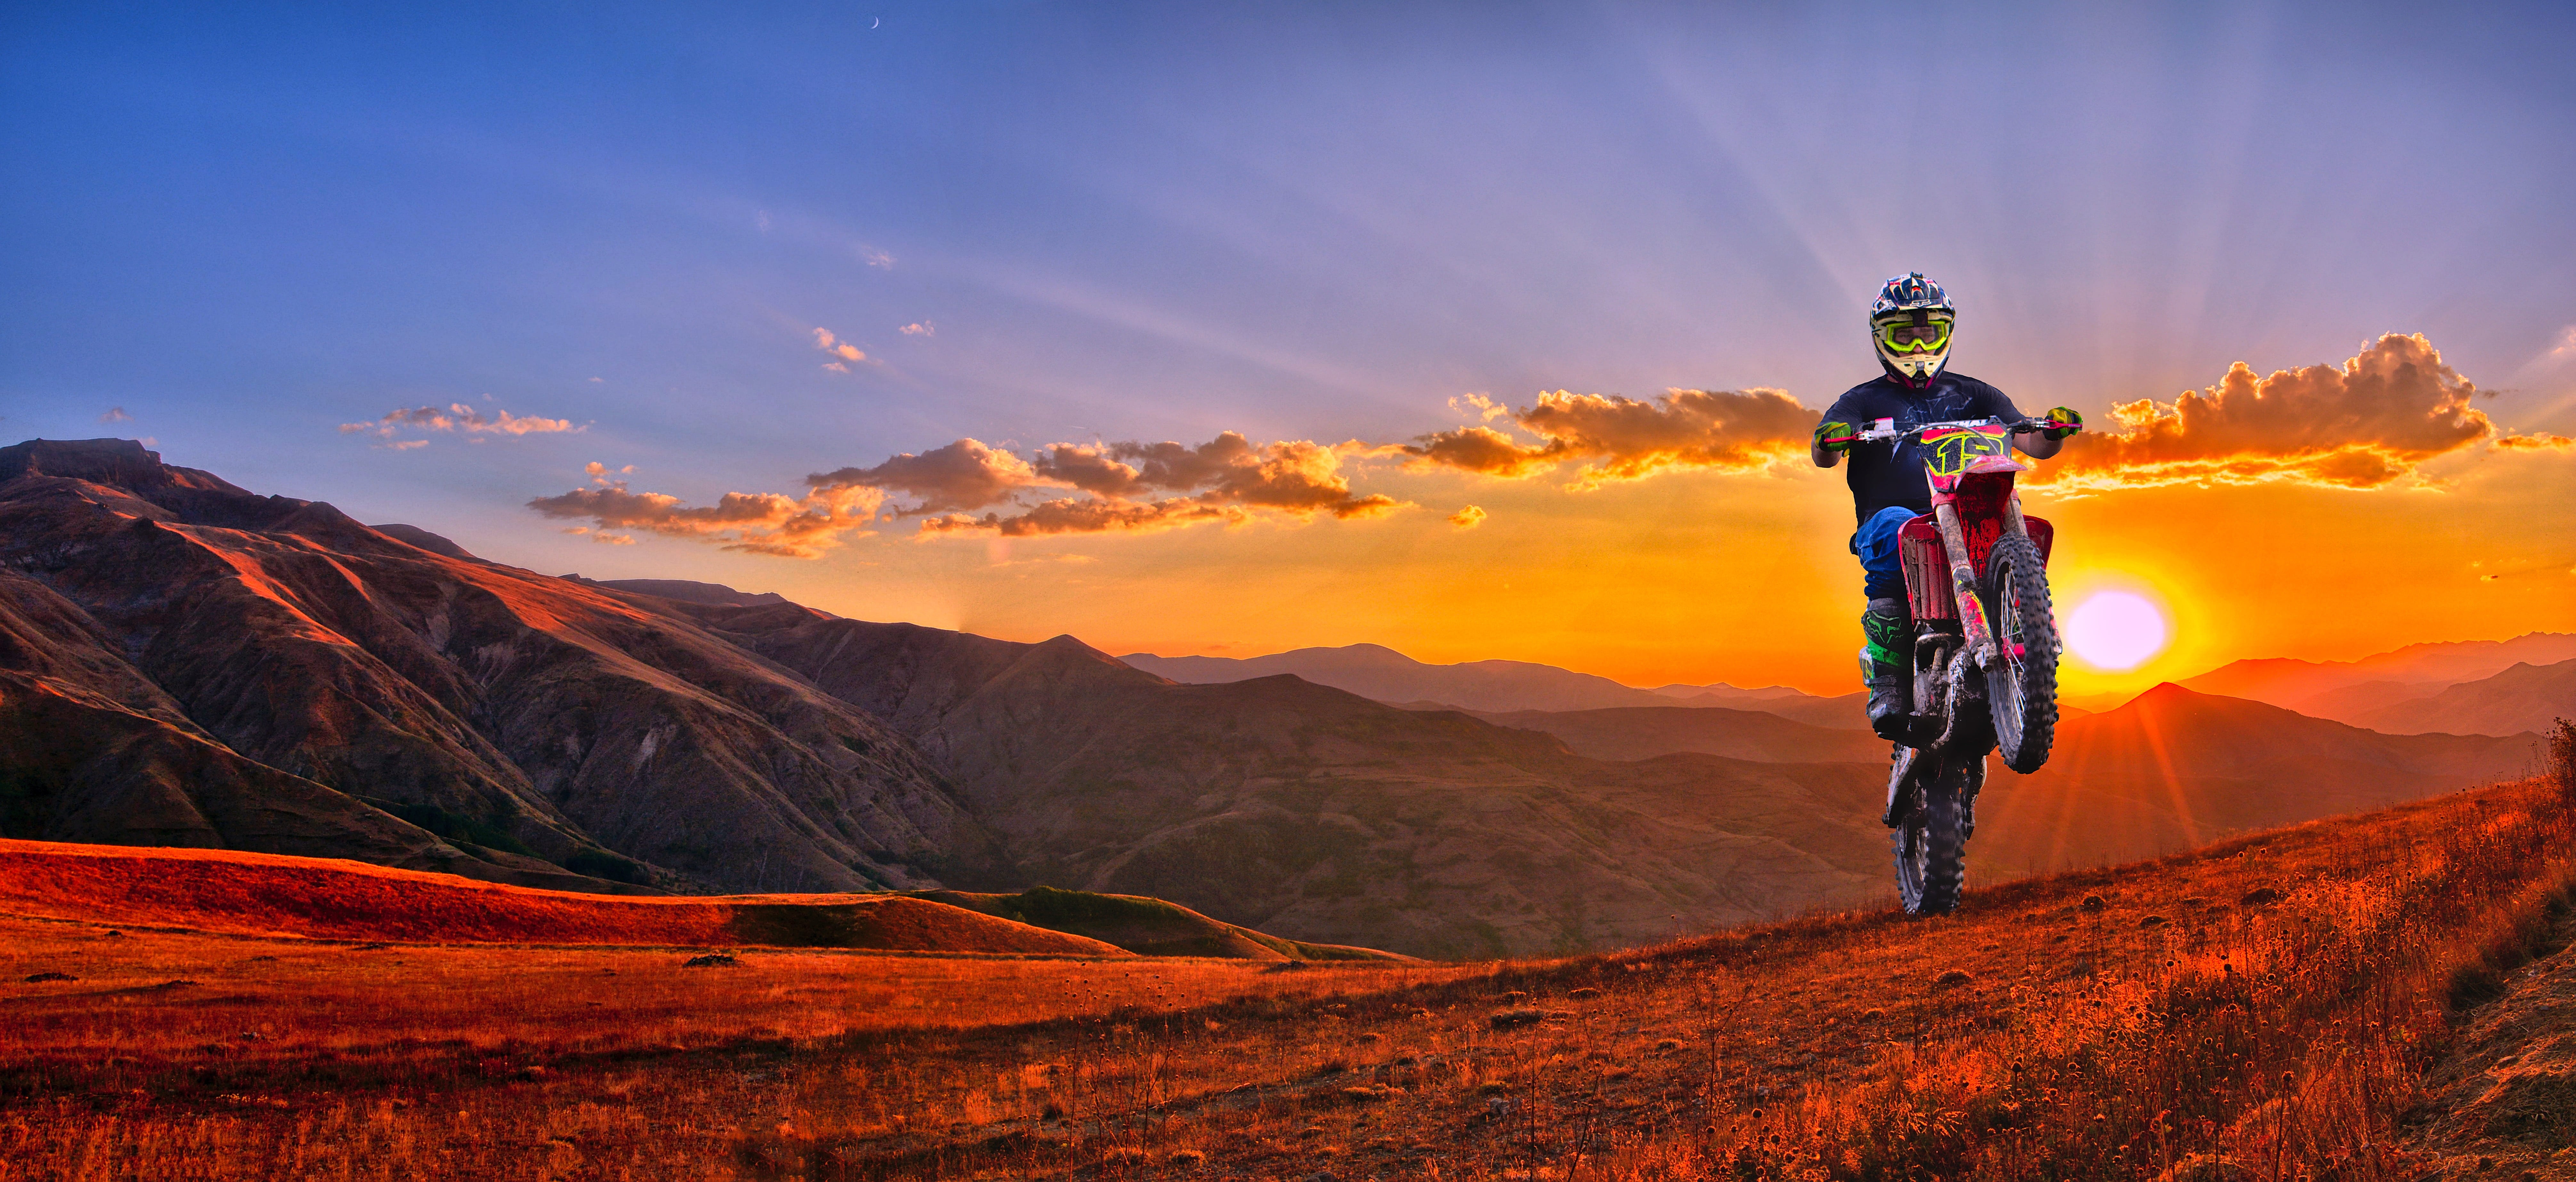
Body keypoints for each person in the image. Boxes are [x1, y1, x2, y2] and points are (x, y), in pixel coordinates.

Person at [1809, 273, 2082, 743]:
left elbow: (2028, 441)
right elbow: (1824, 453)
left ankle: (2024, 638)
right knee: (1897, 530)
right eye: (1904, 333)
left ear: (1946, 333)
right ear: (1882, 338)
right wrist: (1831, 439)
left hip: (1968, 509)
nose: (1917, 343)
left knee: (2011, 525)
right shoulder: (1861, 399)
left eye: (1928, 331)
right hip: (1893, 516)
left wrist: (2052, 433)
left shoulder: (1977, 394)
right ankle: (1889, 679)